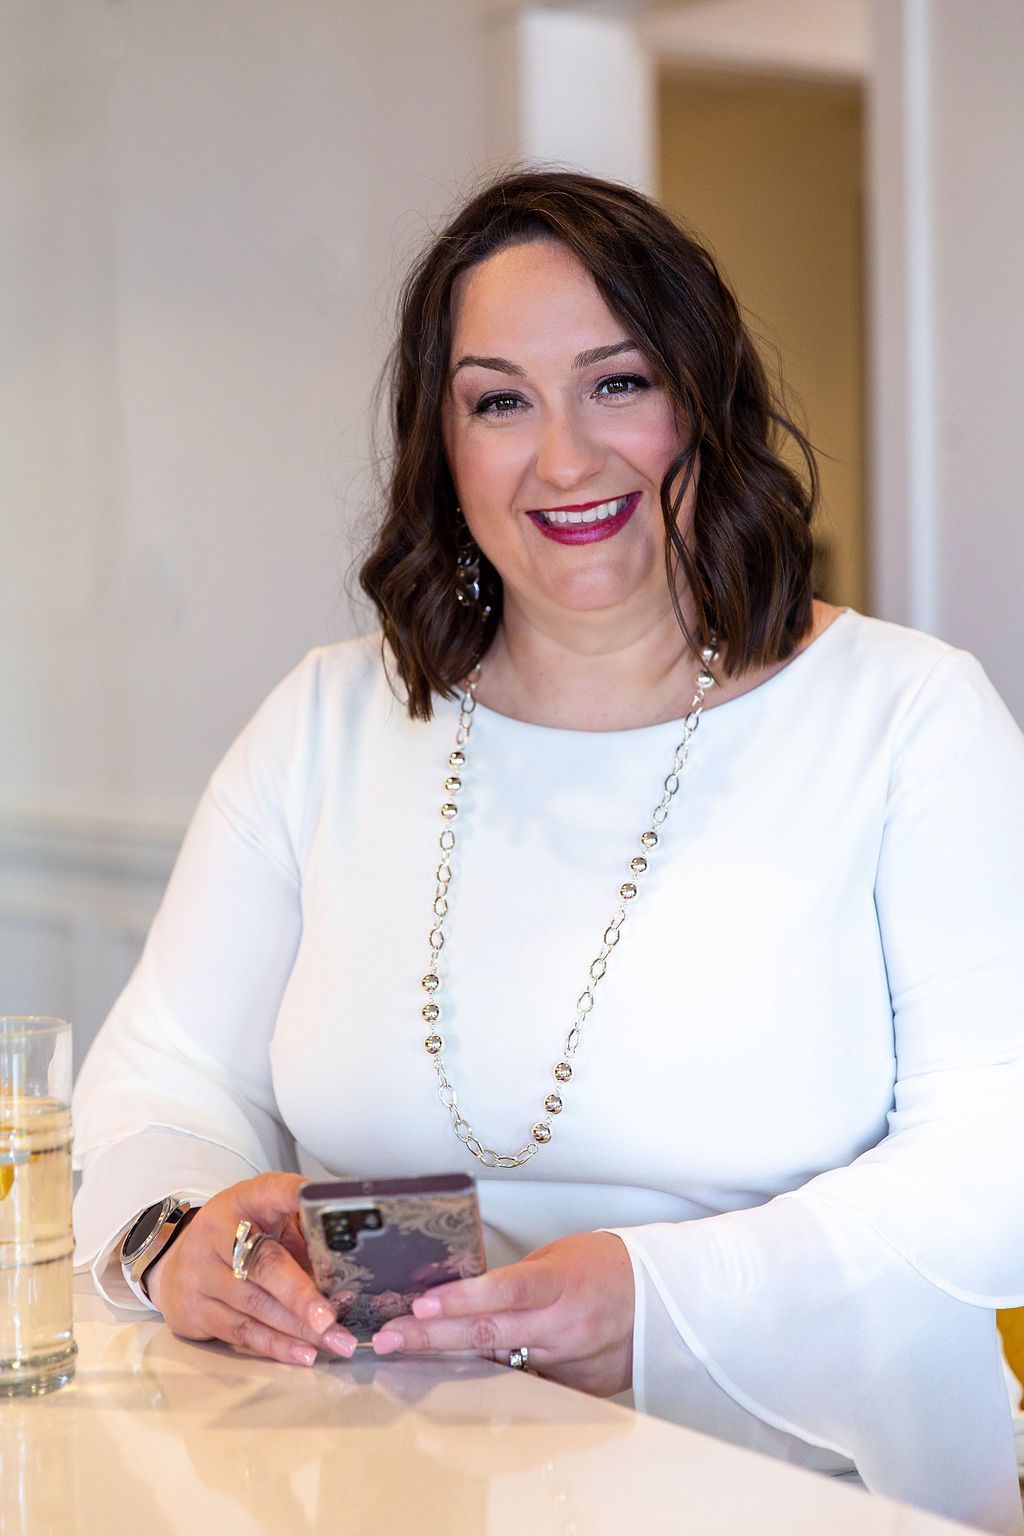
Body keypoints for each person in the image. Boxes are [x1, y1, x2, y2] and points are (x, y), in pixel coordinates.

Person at [72, 170, 1024, 1534]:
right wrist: (176, 1236)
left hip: (811, 1489)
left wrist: (661, 1298)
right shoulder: (328, 722)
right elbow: (161, 1076)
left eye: (619, 384)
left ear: (705, 402)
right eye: (500, 400)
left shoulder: (908, 715)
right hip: (377, 1485)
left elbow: (1000, 1152)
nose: (566, 459)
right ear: (443, 447)